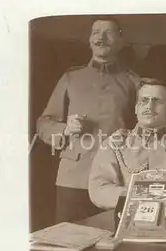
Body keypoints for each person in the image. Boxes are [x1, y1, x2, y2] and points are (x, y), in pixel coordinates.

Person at [36, 17, 137, 223]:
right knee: (66, 241)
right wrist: (64, 129)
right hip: (73, 178)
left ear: (120, 41)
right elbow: (44, 123)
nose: (101, 37)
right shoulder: (71, 78)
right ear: (89, 41)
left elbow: (143, 129)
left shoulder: (133, 81)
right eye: (96, 32)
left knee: (109, 243)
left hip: (113, 178)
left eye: (108, 33)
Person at [89, 78, 166, 210]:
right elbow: (99, 189)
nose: (149, 106)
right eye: (144, 101)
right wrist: (140, 195)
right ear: (137, 109)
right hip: (126, 220)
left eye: (157, 101)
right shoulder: (115, 144)